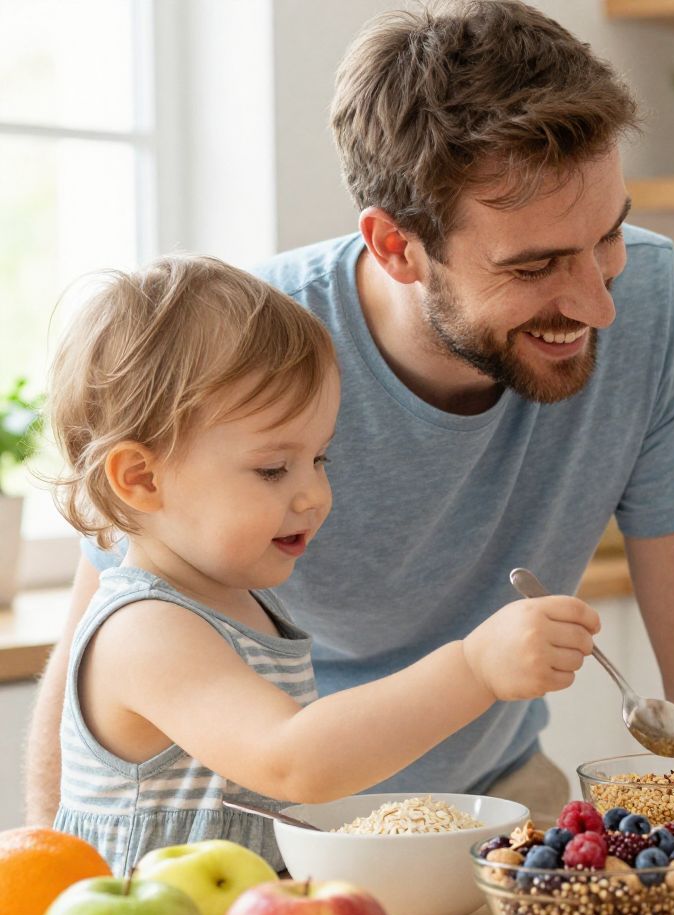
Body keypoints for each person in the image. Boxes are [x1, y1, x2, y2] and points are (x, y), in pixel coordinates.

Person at [23, 1, 674, 827]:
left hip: (498, 805)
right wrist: (44, 906)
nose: (600, 303)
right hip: (284, 839)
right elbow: (95, 657)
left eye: (609, 234)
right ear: (395, 245)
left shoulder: (650, 301)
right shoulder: (243, 360)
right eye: (534, 266)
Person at [43, 256, 598, 873]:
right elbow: (293, 760)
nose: (313, 495)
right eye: (274, 469)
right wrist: (474, 667)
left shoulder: (240, 601)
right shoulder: (142, 630)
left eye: (321, 459)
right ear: (142, 478)